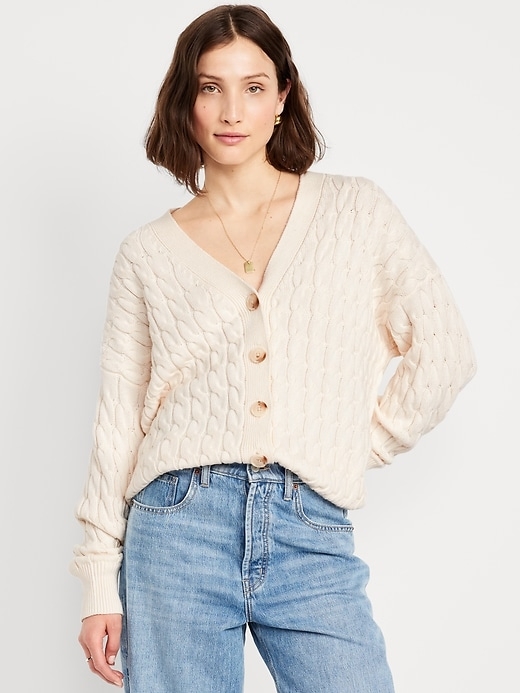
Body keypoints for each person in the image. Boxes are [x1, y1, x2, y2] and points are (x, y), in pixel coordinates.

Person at [70, 4, 476, 692]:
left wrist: (354, 446)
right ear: (186, 101)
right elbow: (118, 423)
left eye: (253, 87)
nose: (232, 111)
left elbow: (445, 352)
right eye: (211, 87)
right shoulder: (146, 253)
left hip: (309, 523)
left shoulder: (355, 212)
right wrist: (97, 582)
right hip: (176, 526)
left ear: (283, 96)